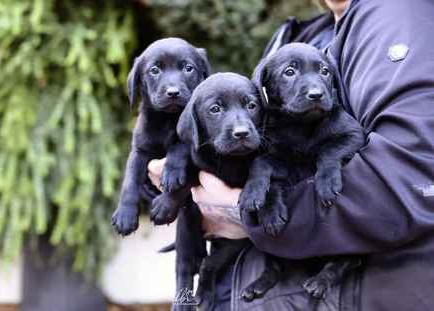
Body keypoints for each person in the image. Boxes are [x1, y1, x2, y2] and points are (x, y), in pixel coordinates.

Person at [149, 0, 434, 309]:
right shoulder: (310, 33)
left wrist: (244, 214)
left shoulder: (399, 17)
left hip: (357, 293)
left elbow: (409, 184)